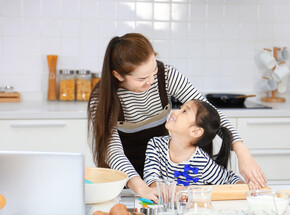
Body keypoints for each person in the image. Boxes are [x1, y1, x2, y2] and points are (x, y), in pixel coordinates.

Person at [88, 33, 266, 201]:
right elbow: (113, 151)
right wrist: (142, 188)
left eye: (153, 71)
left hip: (167, 169)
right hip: (126, 176)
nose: (150, 81)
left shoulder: (166, 76)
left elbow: (208, 113)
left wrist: (243, 154)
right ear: (118, 75)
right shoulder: (102, 98)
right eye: (142, 78)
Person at [143, 99, 260, 190]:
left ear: (195, 131)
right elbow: (150, 179)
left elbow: (228, 178)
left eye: (184, 111)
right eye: (180, 108)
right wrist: (173, 190)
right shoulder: (155, 145)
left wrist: (246, 186)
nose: (175, 111)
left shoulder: (202, 161)